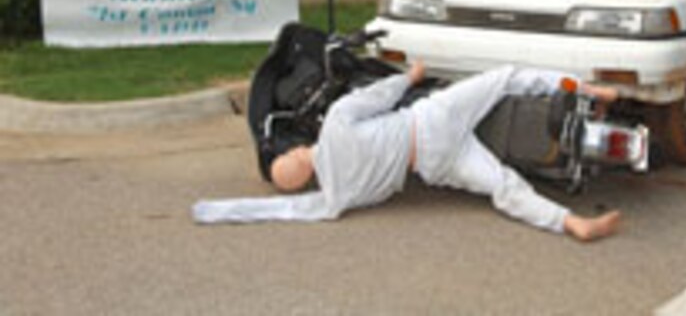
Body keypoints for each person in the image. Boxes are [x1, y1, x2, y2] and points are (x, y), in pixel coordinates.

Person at [193, 62, 622, 242]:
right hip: (432, 121)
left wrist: (215, 210)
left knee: (502, 186)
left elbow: (282, 211)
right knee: (506, 77)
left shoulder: (335, 198)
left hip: (434, 166)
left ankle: (571, 224)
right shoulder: (337, 123)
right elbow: (381, 93)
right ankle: (588, 89)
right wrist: (411, 74)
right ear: (302, 149)